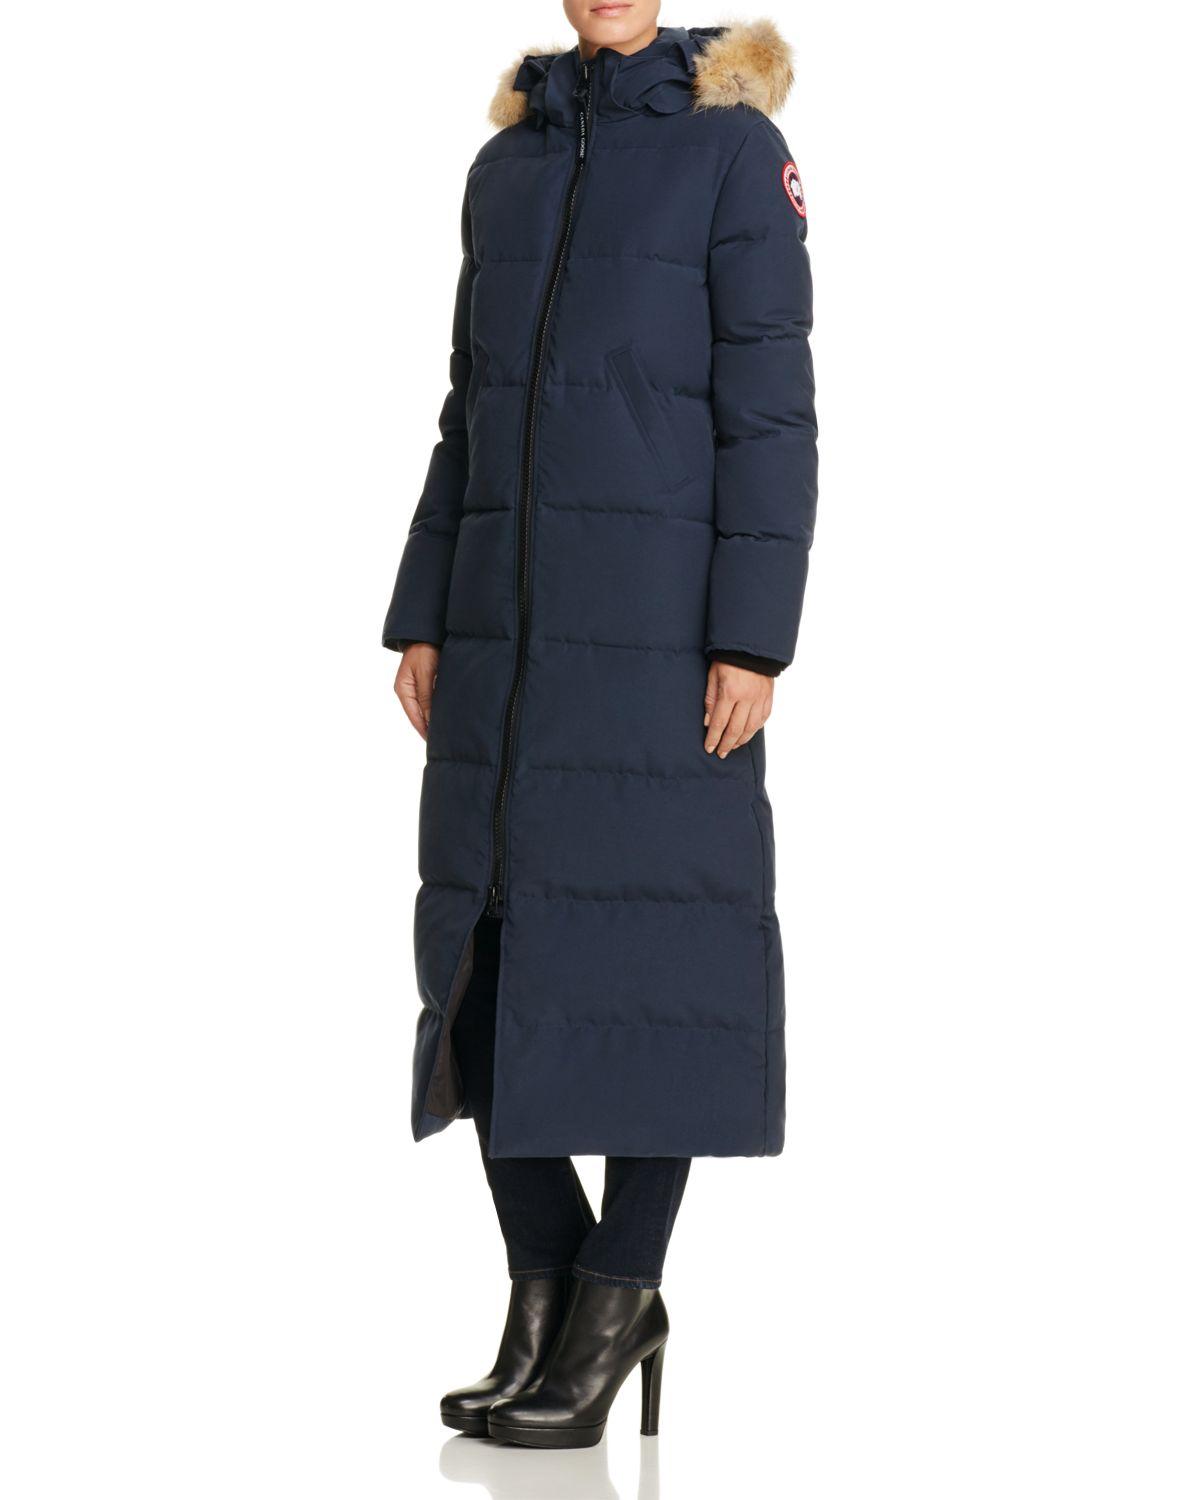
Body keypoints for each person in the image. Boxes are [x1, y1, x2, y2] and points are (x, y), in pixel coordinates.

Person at [382, 3, 816, 1450]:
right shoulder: (505, 166)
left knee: (652, 962)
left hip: (656, 632)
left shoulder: (731, 150)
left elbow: (772, 410)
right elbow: (469, 409)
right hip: (504, 628)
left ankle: (620, 1287)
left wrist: (752, 635)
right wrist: (425, 609)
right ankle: (549, 1280)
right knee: (484, 962)